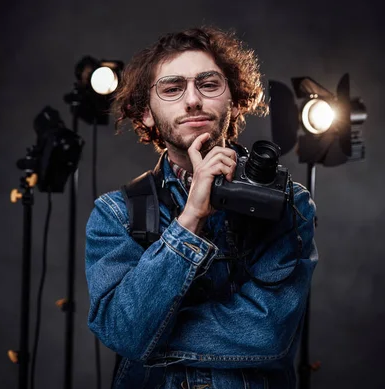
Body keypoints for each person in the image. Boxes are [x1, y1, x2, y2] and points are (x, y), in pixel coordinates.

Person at [85, 26, 319, 389]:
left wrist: (149, 339)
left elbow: (268, 332)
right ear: (146, 113)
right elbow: (120, 328)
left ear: (237, 101)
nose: (193, 100)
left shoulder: (290, 203)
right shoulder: (116, 213)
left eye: (208, 85)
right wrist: (190, 219)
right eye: (172, 88)